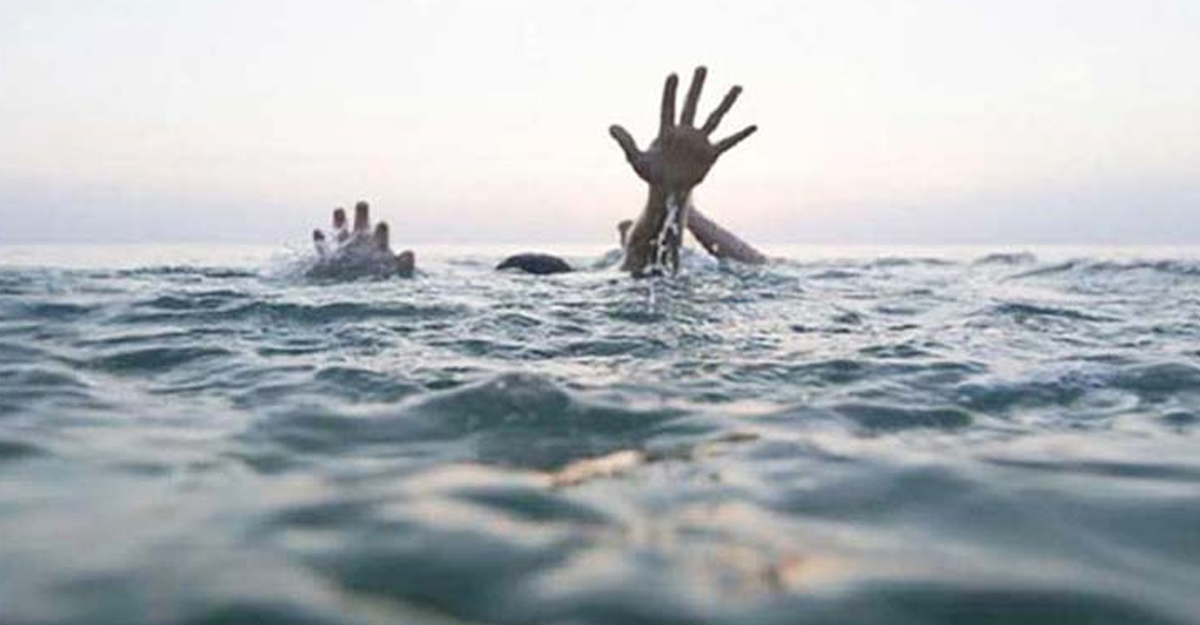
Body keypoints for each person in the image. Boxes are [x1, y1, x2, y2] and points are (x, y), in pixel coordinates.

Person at [307, 201, 415, 278]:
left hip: (345, 267)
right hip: (358, 267)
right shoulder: (386, 258)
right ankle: (327, 254)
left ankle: (326, 255)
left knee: (335, 258)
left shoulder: (385, 256)